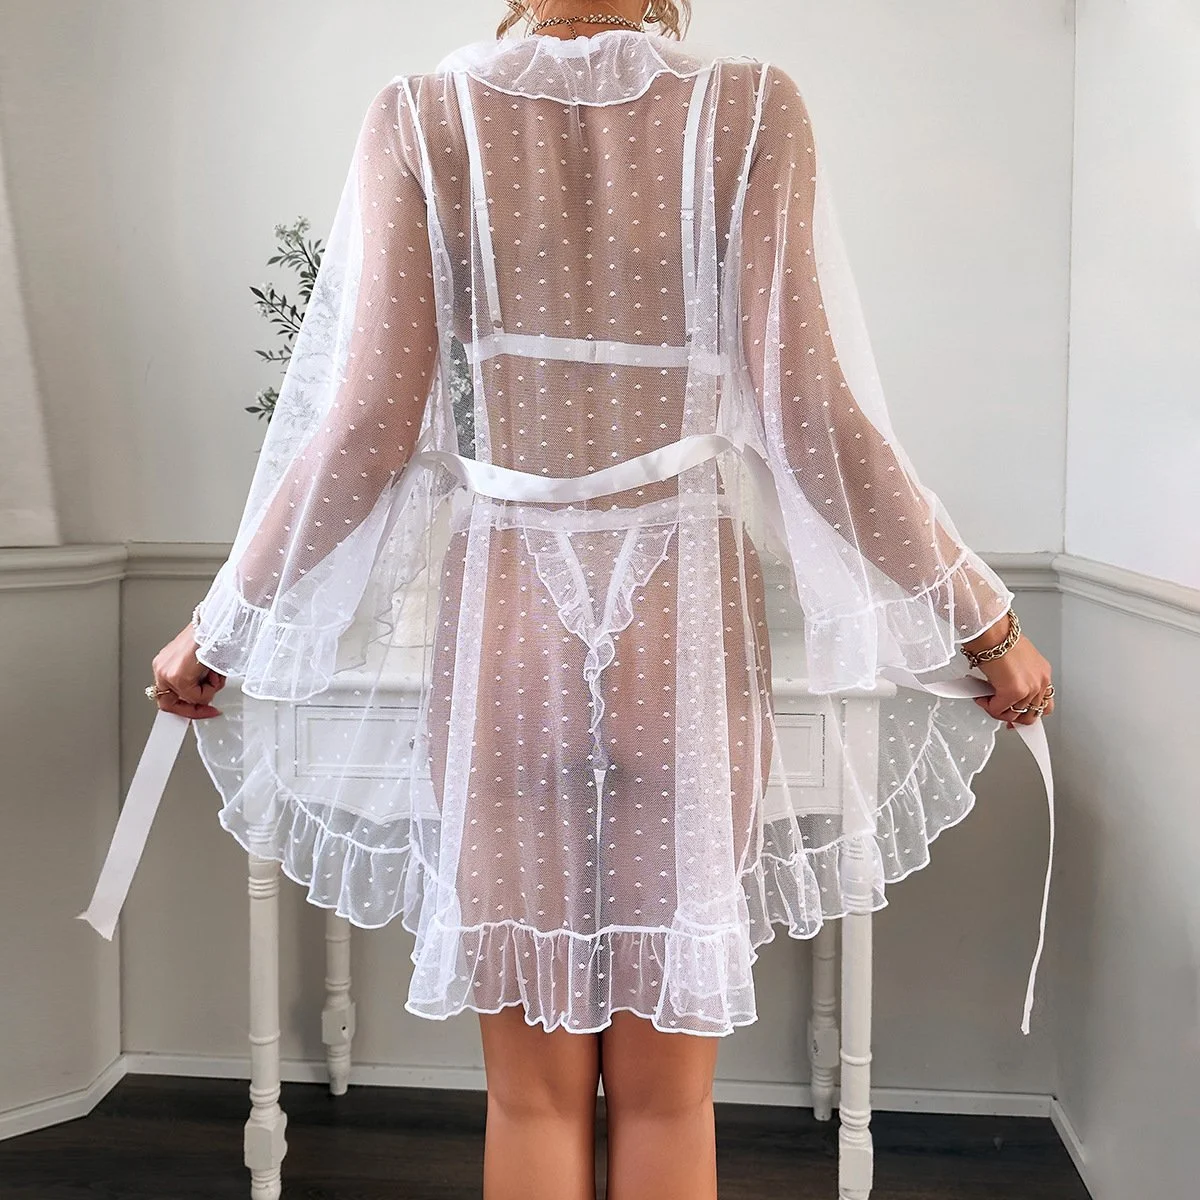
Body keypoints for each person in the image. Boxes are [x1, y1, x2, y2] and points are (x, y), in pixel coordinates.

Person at [148, 4, 1055, 1198]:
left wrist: (219, 627)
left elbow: (365, 428)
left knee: (529, 1100)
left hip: (509, 625)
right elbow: (813, 418)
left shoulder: (422, 117)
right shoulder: (750, 108)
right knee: (670, 1104)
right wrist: (986, 623)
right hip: (682, 631)